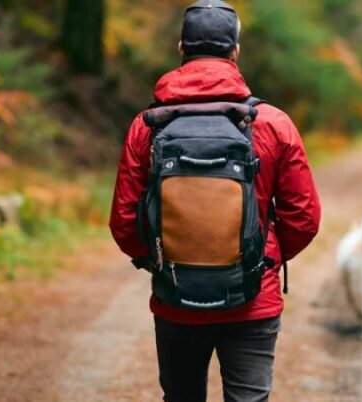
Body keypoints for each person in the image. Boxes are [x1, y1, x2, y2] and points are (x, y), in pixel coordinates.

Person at [109, 1, 321, 401]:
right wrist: (260, 260)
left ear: (181, 48)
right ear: (235, 51)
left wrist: (161, 258)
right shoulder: (273, 124)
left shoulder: (147, 126)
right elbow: (304, 217)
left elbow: (123, 219)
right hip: (252, 300)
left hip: (175, 299)